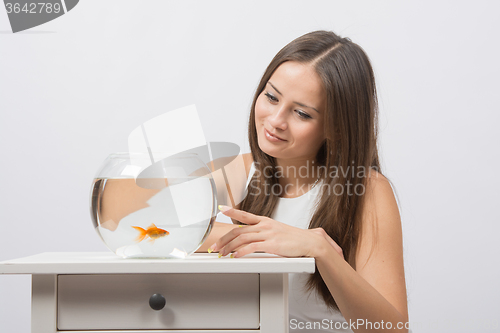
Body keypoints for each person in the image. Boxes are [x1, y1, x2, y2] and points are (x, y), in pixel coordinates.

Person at [197, 30, 408, 333]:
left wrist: (320, 250)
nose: (275, 120)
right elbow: (154, 229)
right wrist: (265, 240)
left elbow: (393, 330)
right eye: (271, 97)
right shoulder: (241, 171)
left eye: (301, 113)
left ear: (335, 127)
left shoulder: (367, 191)